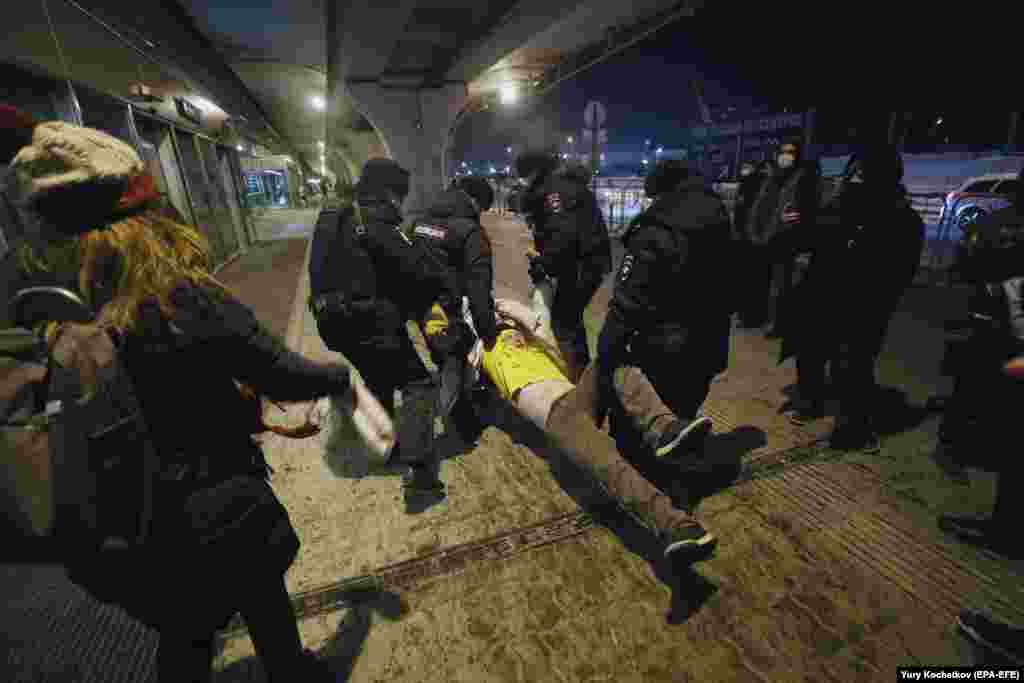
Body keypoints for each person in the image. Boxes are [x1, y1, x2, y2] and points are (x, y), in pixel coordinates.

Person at [7, 121, 343, 681]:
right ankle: (291, 672)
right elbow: (283, 374)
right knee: (256, 592)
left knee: (186, 631)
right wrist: (337, 380)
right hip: (209, 500)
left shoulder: (38, 297)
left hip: (115, 518)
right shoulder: (174, 294)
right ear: (143, 210)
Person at [422, 295, 718, 568]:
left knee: (609, 357)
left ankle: (664, 427)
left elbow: (546, 331)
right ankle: (678, 526)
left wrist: (515, 313)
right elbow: (449, 394)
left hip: (577, 393)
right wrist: (451, 350)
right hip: (557, 417)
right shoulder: (474, 358)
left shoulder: (512, 326)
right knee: (613, 468)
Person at [309, 158, 463, 500]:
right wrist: (443, 291)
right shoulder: (376, 223)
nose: (402, 202)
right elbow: (415, 273)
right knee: (418, 385)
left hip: (333, 322)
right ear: (390, 192)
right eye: (400, 194)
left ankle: (386, 448)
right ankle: (419, 471)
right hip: (369, 322)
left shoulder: (335, 217)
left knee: (379, 378)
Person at [783, 144, 924, 451]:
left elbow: (899, 270)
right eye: (855, 169)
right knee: (811, 351)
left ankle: (852, 429)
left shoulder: (900, 216)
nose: (856, 176)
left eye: (863, 170)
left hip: (865, 304)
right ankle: (810, 401)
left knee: (852, 366)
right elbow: (813, 238)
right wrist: (801, 227)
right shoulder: (840, 205)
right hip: (823, 294)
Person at [596, 159, 734, 462]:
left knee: (636, 434)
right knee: (683, 415)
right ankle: (679, 480)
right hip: (710, 342)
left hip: (662, 351)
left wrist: (607, 352)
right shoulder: (719, 218)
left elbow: (628, 302)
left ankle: (641, 496)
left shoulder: (656, 228)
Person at [934, 167, 1024, 557]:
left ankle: (1007, 532)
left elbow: (965, 268)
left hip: (1006, 344)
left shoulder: (1000, 224)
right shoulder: (999, 223)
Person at [410, 175, 498, 438]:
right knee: (454, 361)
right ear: (475, 201)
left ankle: (457, 411)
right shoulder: (470, 232)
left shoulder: (420, 221)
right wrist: (488, 330)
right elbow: (479, 287)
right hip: (448, 311)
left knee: (442, 354)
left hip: (422, 308)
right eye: (481, 208)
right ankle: (459, 427)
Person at [516, 149, 612, 381]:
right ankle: (582, 375)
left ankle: (579, 380)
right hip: (586, 262)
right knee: (570, 318)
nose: (522, 180)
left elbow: (563, 232)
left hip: (582, 264)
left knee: (564, 321)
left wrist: (544, 264)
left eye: (523, 175)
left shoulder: (553, 192)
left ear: (534, 171)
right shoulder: (558, 185)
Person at [745, 140, 820, 336]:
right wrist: (754, 230)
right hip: (762, 236)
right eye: (783, 152)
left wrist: (796, 223)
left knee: (779, 285)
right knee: (759, 280)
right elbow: (760, 204)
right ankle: (756, 316)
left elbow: (807, 211)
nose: (785, 156)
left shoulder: (803, 177)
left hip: (785, 239)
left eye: (790, 152)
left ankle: (777, 324)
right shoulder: (772, 177)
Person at [733, 160, 771, 328]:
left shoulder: (749, 183)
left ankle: (747, 315)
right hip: (758, 238)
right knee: (756, 280)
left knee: (747, 279)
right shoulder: (765, 184)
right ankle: (752, 315)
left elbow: (741, 211)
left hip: (748, 238)